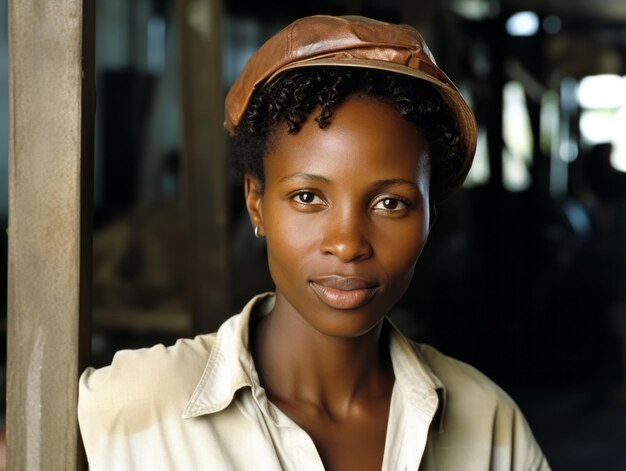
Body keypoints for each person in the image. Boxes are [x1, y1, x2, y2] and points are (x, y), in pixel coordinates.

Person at [78, 15, 550, 470]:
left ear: (431, 213)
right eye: (308, 197)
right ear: (256, 203)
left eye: (391, 204)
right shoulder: (128, 407)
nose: (347, 244)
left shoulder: (490, 425)